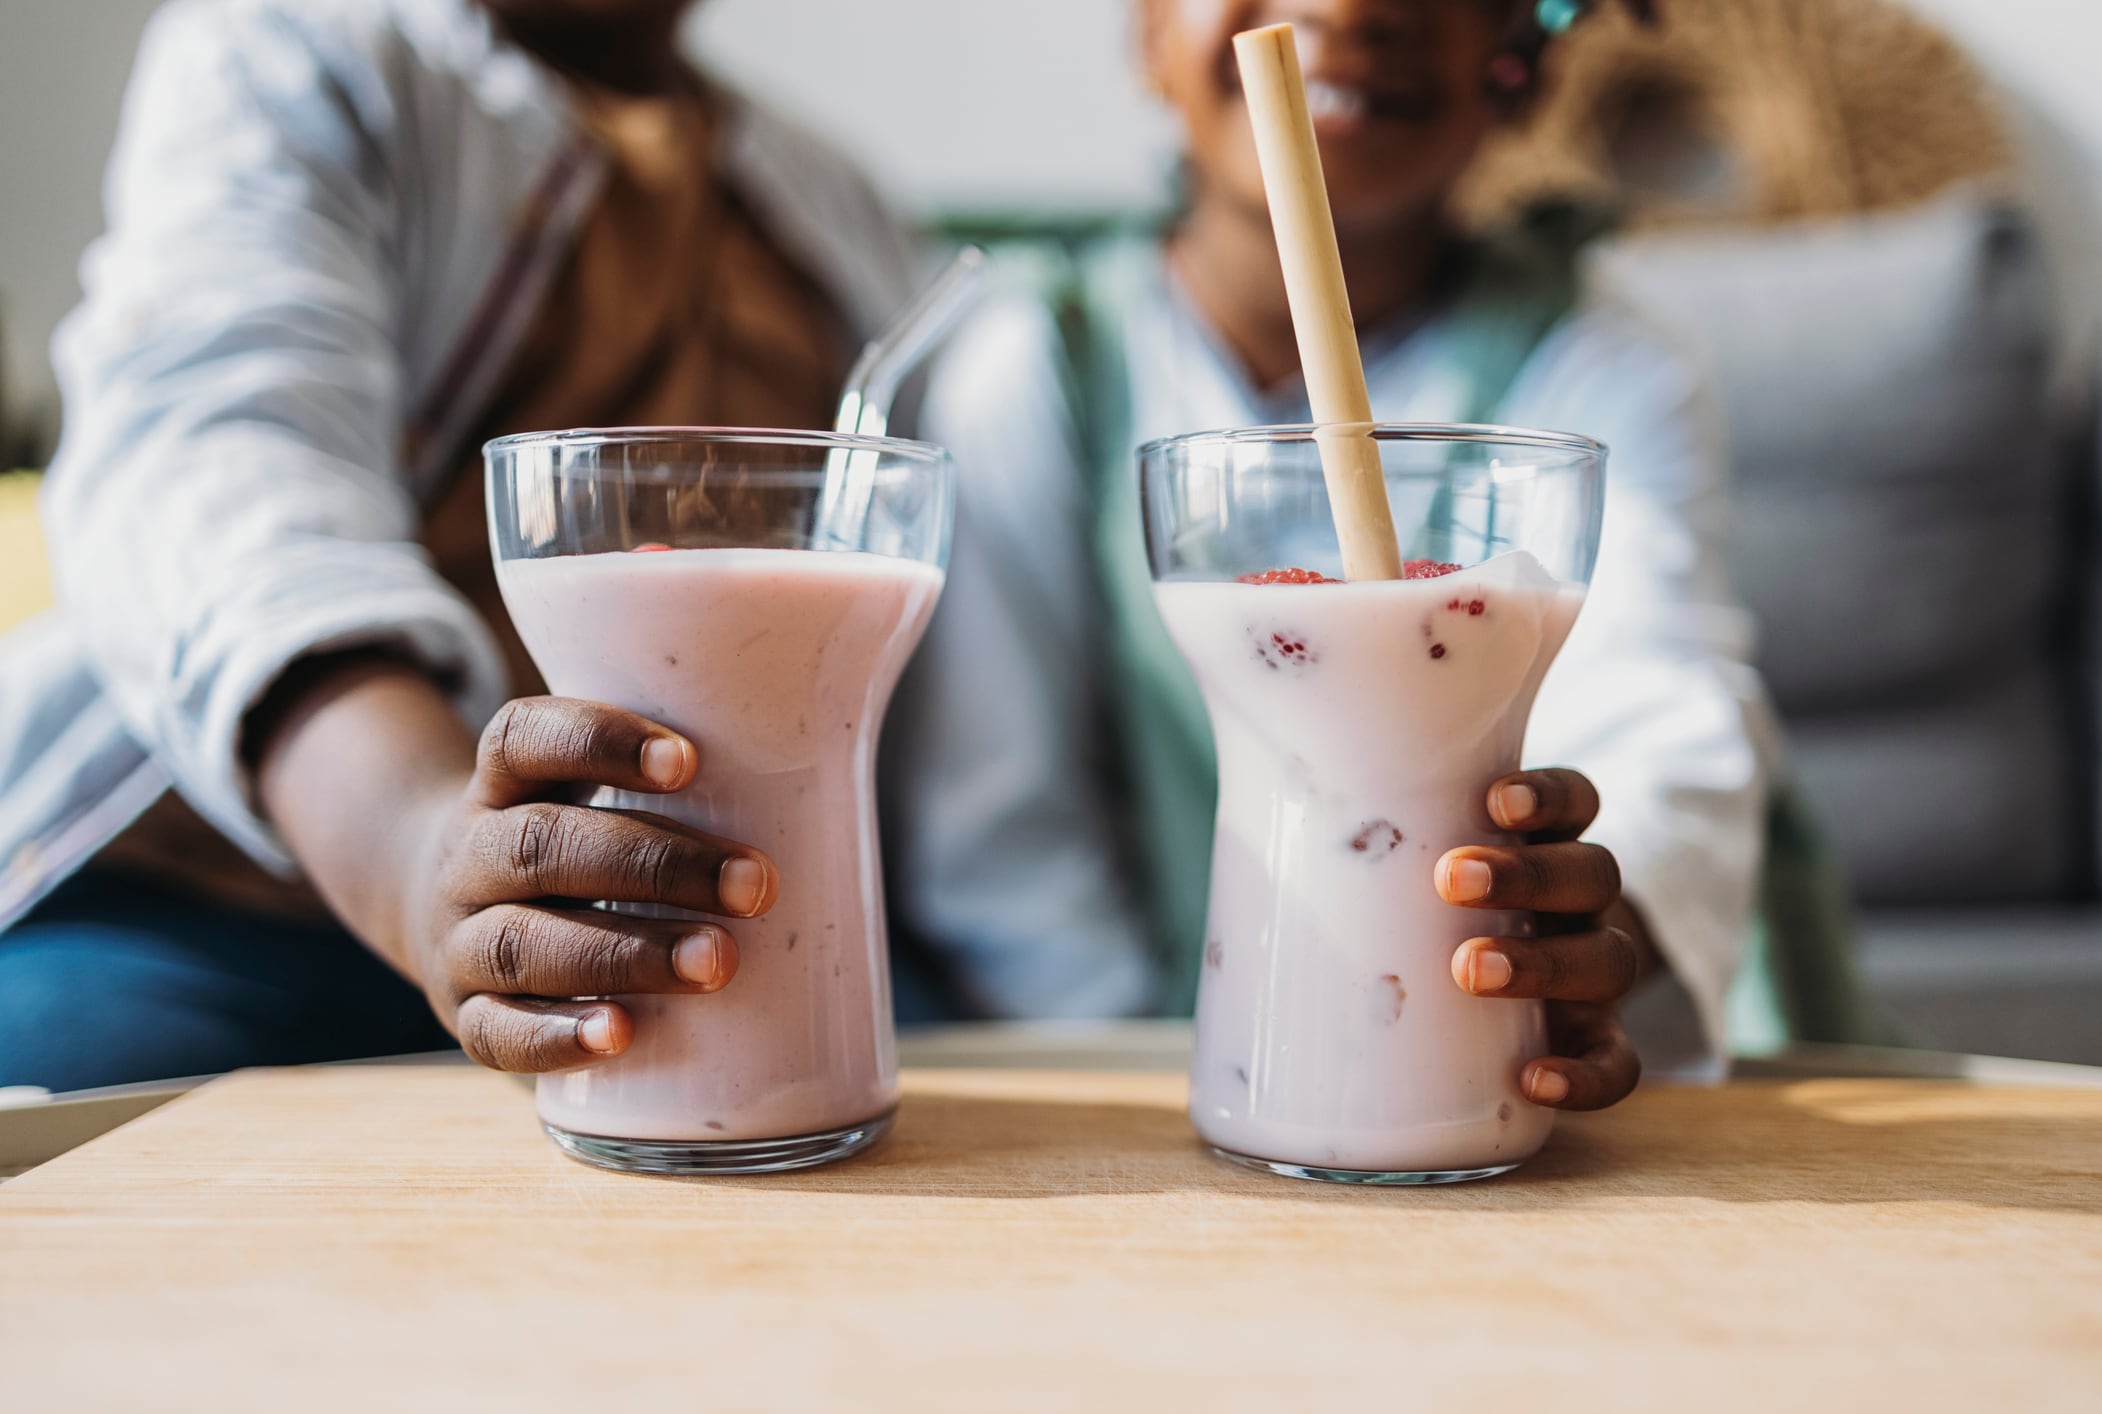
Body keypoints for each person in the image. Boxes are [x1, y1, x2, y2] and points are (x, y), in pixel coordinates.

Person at [887, 0, 1850, 1110]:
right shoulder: (1031, 367)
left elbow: (1656, 720)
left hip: (1487, 1047)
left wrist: (1588, 926)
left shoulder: (1600, 367)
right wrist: (1198, 1060)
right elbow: (1002, 836)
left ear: (1518, 70)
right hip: (1166, 1060)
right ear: (1149, 37)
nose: (1345, 9)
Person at [0, 0, 935, 1087]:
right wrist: (414, 850)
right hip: (221, 917)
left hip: (696, 929)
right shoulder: (296, 55)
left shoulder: (829, 209)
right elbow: (216, 470)